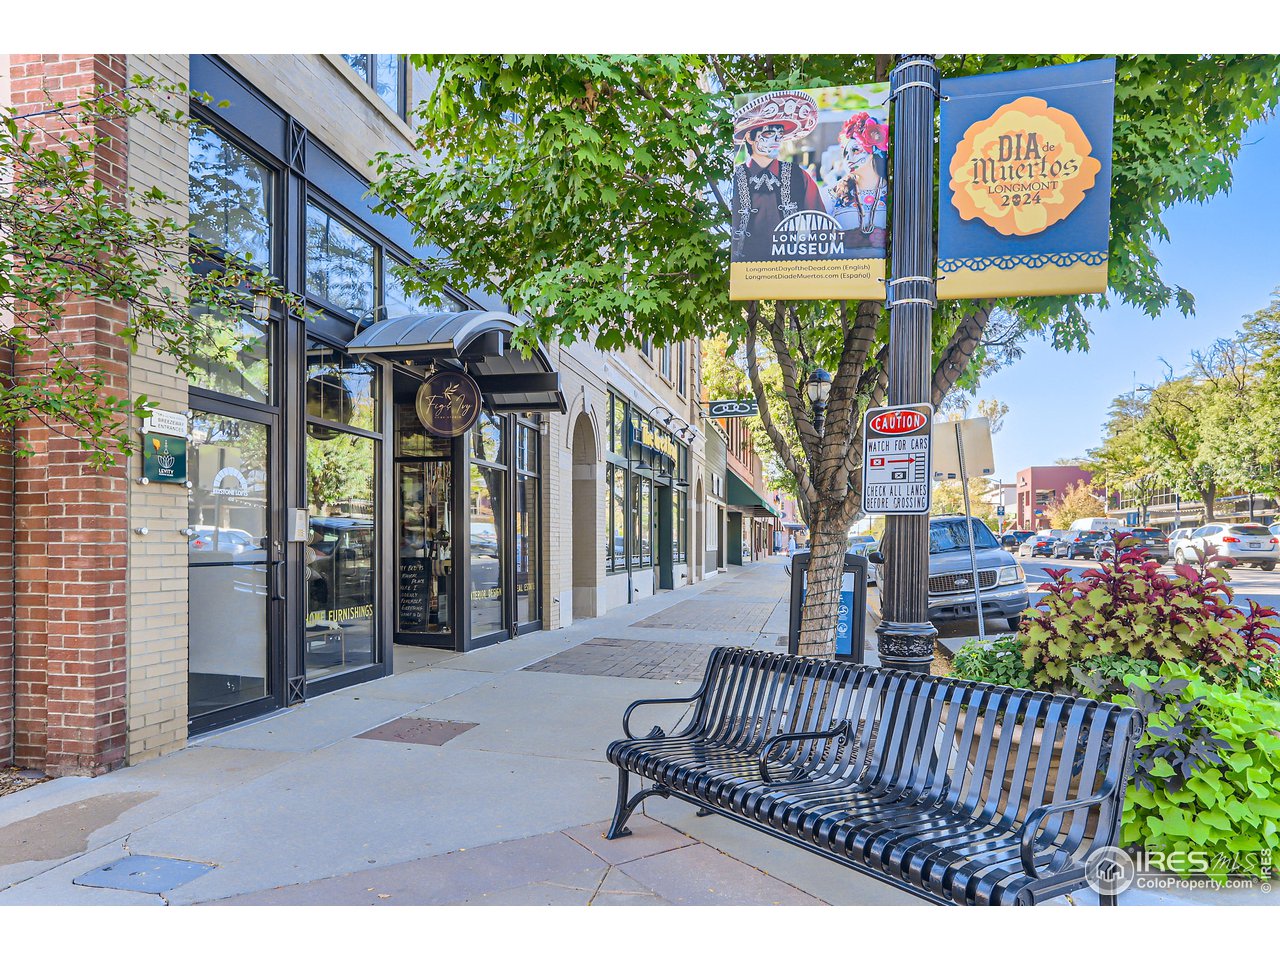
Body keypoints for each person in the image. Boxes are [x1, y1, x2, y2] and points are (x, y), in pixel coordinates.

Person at [731, 90, 825, 261]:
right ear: (750, 138)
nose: (776, 141)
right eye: (768, 134)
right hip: (746, 272)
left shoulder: (799, 176)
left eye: (779, 135)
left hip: (792, 270)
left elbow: (820, 226)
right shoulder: (735, 177)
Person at [830, 112, 889, 253]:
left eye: (856, 150)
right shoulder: (833, 193)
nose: (848, 158)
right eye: (845, 153)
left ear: (873, 151)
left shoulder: (894, 191)